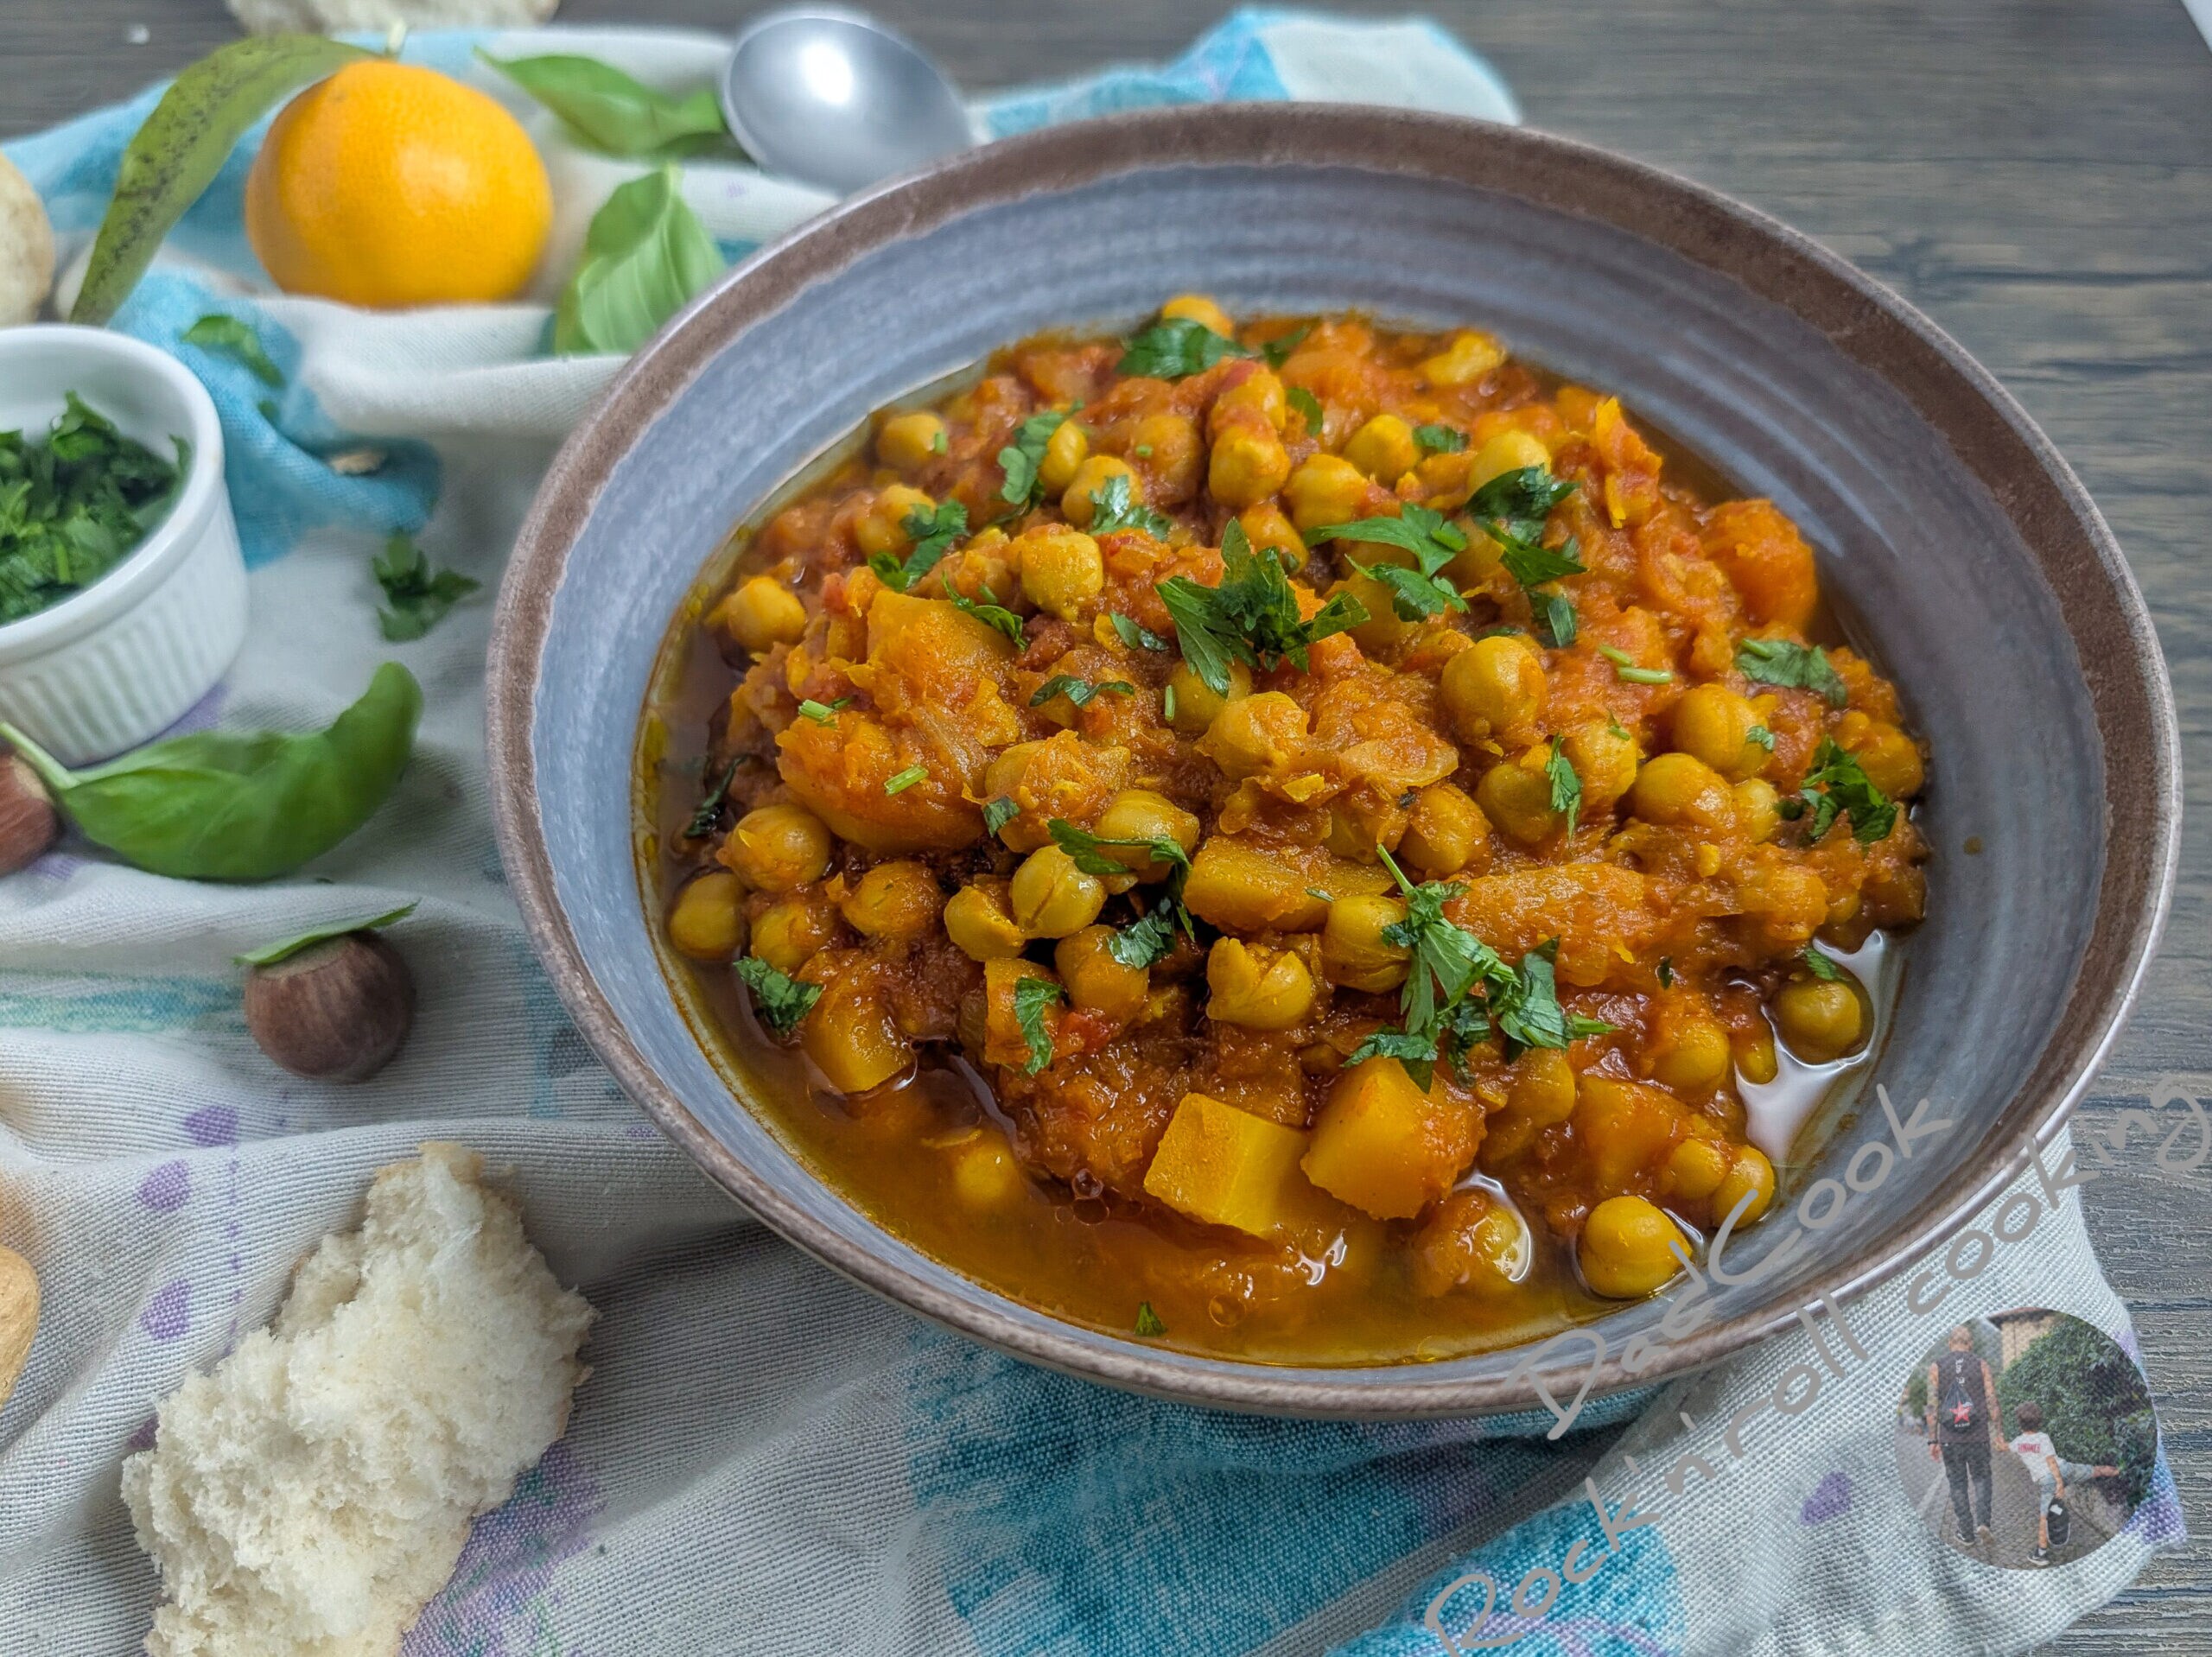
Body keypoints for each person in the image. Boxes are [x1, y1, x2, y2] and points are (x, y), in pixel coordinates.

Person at [2007, 1400, 2120, 1565]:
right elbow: (2053, 1461)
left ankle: (2040, 1554)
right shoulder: (2043, 1438)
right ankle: (2120, 1471)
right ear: (2039, 1422)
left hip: (2050, 1480)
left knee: (2044, 1517)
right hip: (2066, 1469)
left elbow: (2049, 1462)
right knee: (2095, 1470)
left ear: (2019, 1424)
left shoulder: (2018, 1442)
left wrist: (2059, 1484)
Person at [1926, 1326, 2003, 1548]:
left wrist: (1933, 1440)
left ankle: (1966, 1533)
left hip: (1950, 1438)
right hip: (1978, 1437)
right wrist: (1999, 1434)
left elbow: (1932, 1407)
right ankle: (1984, 1523)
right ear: (1970, 1344)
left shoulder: (1936, 1367)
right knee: (1982, 1479)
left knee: (1958, 1484)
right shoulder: (1981, 1365)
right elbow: (1992, 1401)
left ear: (1950, 1343)